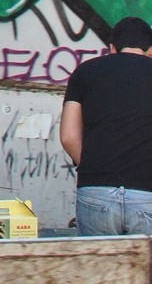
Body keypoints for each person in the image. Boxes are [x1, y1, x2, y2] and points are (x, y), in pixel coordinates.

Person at [59, 16, 152, 235]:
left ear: (112, 48)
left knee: (98, 258)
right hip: (147, 193)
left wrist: (95, 168)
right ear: (149, 49)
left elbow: (68, 136)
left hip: (96, 191)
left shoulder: (84, 72)